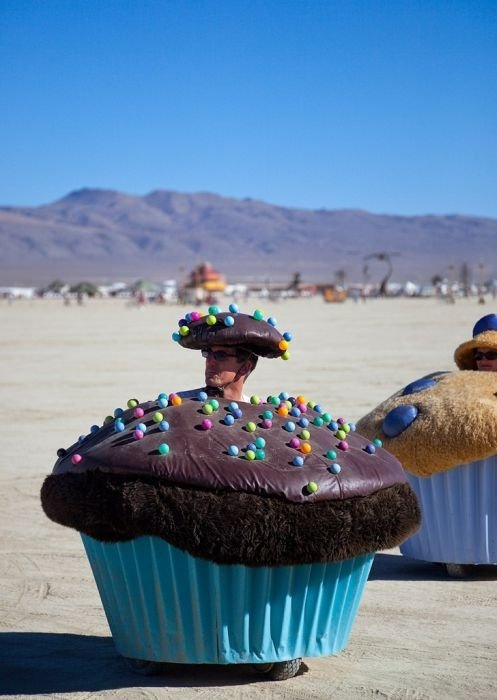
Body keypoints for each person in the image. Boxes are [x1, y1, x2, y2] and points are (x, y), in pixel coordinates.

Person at [173, 308, 290, 402]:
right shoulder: (180, 403)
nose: (210, 361)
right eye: (207, 353)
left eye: (220, 356)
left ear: (245, 368)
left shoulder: (256, 412)